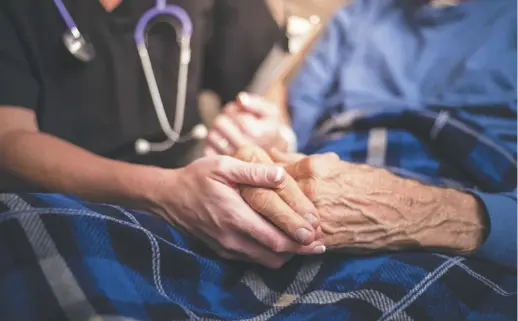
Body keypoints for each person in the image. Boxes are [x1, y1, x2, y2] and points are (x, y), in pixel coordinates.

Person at [0, 0, 326, 269]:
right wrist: (165, 192)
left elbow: (264, 84)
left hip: (196, 201)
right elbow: (9, 138)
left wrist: (272, 132)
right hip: (59, 211)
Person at [206, 0, 517, 269]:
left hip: (466, 196)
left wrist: (423, 213)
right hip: (325, 184)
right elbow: (296, 130)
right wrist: (271, 139)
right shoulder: (358, 15)